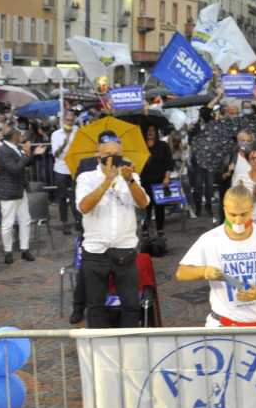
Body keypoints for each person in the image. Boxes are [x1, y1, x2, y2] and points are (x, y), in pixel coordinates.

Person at [175, 183, 256, 327]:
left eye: (243, 214)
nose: (238, 221)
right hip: (223, 324)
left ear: (251, 210)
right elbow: (181, 272)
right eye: (233, 215)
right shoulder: (210, 239)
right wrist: (204, 271)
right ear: (225, 211)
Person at [76, 132, 150, 328]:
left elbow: (143, 204)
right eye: (107, 154)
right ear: (98, 157)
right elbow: (84, 207)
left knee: (131, 305)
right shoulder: (86, 178)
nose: (112, 159)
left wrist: (130, 181)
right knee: (95, 306)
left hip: (125, 249)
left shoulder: (131, 176)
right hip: (95, 251)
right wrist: (106, 182)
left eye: (117, 155)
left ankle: (129, 347)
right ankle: (101, 350)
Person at [0, 128, 46, 264]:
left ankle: (25, 249)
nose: (22, 137)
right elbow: (15, 168)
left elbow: (25, 163)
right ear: (13, 136)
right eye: (19, 135)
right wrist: (26, 152)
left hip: (20, 189)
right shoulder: (3, 151)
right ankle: (8, 251)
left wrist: (35, 154)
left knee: (25, 220)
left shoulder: (16, 148)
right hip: (8, 191)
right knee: (8, 223)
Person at [139, 124, 175, 238]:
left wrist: (167, 177)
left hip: (160, 182)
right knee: (146, 207)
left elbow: (169, 163)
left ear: (156, 132)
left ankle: (160, 230)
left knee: (160, 207)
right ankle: (145, 230)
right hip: (144, 181)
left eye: (152, 130)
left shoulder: (163, 145)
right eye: (148, 130)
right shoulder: (140, 146)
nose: (150, 132)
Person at [51, 110, 79, 234]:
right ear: (63, 121)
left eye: (72, 120)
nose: (70, 123)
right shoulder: (56, 134)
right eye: (67, 120)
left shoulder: (78, 132)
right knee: (62, 197)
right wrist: (65, 143)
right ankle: (64, 223)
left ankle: (78, 221)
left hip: (74, 169)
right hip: (60, 169)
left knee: (76, 196)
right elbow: (55, 154)